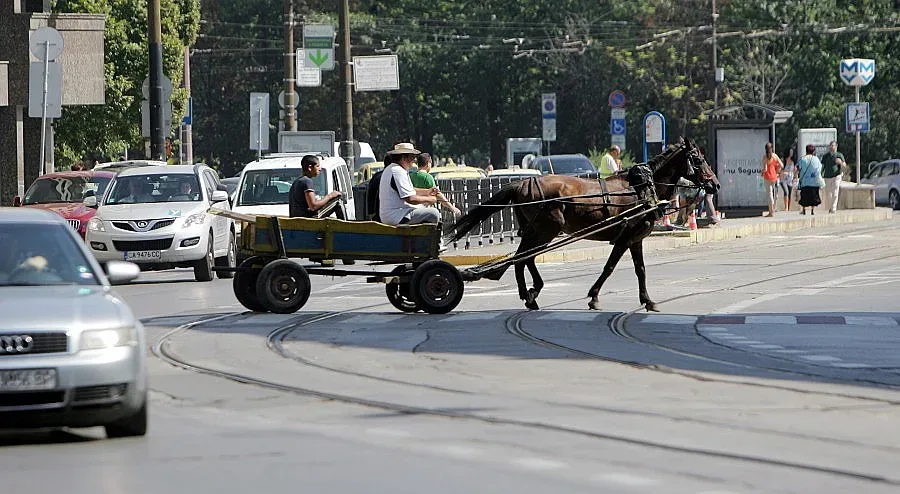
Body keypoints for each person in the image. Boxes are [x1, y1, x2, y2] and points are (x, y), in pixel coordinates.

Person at [378, 142, 442, 225]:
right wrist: (430, 199)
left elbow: (410, 190)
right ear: (404, 157)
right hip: (396, 216)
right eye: (412, 156)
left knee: (424, 207)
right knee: (433, 213)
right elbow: (410, 199)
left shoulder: (393, 169)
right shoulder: (398, 171)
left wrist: (427, 192)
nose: (414, 159)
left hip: (393, 215)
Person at [411, 153, 461, 217]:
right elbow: (437, 194)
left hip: (412, 210)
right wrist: (452, 208)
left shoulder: (410, 175)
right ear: (428, 163)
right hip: (424, 211)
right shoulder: (427, 177)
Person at [821, 140, 847, 213]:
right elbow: (822, 166)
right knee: (828, 194)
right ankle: (830, 207)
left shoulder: (839, 155)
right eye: (830, 146)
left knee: (835, 192)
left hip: (836, 176)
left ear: (836, 146)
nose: (831, 147)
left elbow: (844, 165)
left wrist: (840, 162)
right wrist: (820, 174)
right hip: (827, 177)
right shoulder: (826, 156)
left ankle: (833, 208)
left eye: (833, 146)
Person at [797, 144, 824, 215]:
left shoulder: (803, 159)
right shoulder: (816, 159)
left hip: (805, 182)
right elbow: (819, 170)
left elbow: (798, 168)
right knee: (814, 196)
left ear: (806, 151)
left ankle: (804, 209)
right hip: (814, 181)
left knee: (804, 196)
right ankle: (812, 210)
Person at [761, 142, 783, 217]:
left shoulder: (765, 157)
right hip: (774, 177)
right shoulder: (775, 156)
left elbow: (765, 169)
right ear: (772, 148)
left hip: (767, 177)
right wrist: (777, 171)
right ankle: (772, 210)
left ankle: (771, 212)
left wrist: (762, 172)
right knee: (772, 193)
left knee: (769, 194)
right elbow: (781, 165)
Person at [779, 147, 796, 212]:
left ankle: (788, 207)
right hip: (783, 179)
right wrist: (783, 172)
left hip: (790, 179)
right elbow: (780, 170)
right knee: (786, 192)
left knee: (789, 194)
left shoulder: (793, 161)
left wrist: (795, 177)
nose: (791, 153)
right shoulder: (783, 161)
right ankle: (786, 207)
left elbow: (794, 171)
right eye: (790, 152)